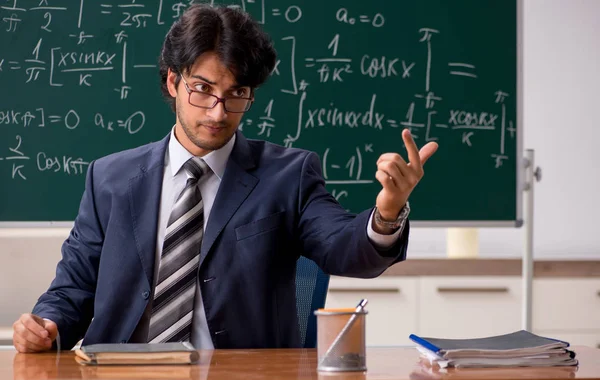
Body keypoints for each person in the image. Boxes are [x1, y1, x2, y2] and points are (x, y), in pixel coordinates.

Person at [12, 4, 438, 353]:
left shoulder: (287, 175)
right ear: (173, 81)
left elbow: (346, 251)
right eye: (203, 89)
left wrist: (385, 213)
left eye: (237, 94)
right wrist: (45, 326)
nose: (218, 112)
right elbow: (73, 288)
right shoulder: (108, 178)